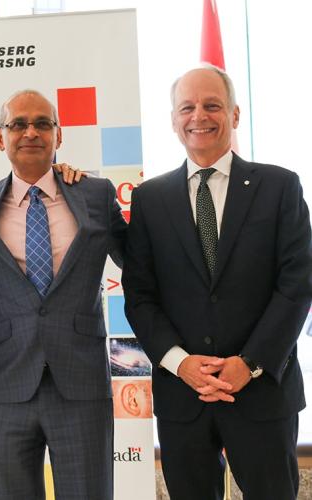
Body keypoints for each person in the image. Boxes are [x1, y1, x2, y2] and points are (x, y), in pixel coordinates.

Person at [122, 65, 312, 499]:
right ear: (173, 119)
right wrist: (180, 362)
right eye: (187, 107)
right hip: (182, 397)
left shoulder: (280, 186)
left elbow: (296, 285)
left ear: (235, 114)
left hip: (262, 392)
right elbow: (140, 297)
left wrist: (250, 363)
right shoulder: (150, 199)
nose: (199, 116)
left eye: (212, 105)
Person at [0, 89, 127, 500]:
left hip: (81, 385)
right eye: (18, 124)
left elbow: (141, 264)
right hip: (5, 389)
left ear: (58, 135)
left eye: (43, 123)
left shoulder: (96, 196)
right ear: (0, 138)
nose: (31, 132)